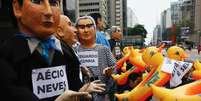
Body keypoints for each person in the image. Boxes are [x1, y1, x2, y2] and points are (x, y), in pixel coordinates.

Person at [0, 0, 105, 101]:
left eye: (53, 2)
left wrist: (80, 92)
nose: (48, 12)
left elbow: (74, 86)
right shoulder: (7, 56)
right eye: (36, 1)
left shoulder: (66, 51)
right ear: (18, 8)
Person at [75, 16, 116, 101]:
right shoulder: (73, 51)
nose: (86, 30)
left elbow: (114, 68)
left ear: (94, 29)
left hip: (101, 96)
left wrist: (110, 73)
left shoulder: (104, 49)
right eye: (82, 27)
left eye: (89, 26)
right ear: (77, 30)